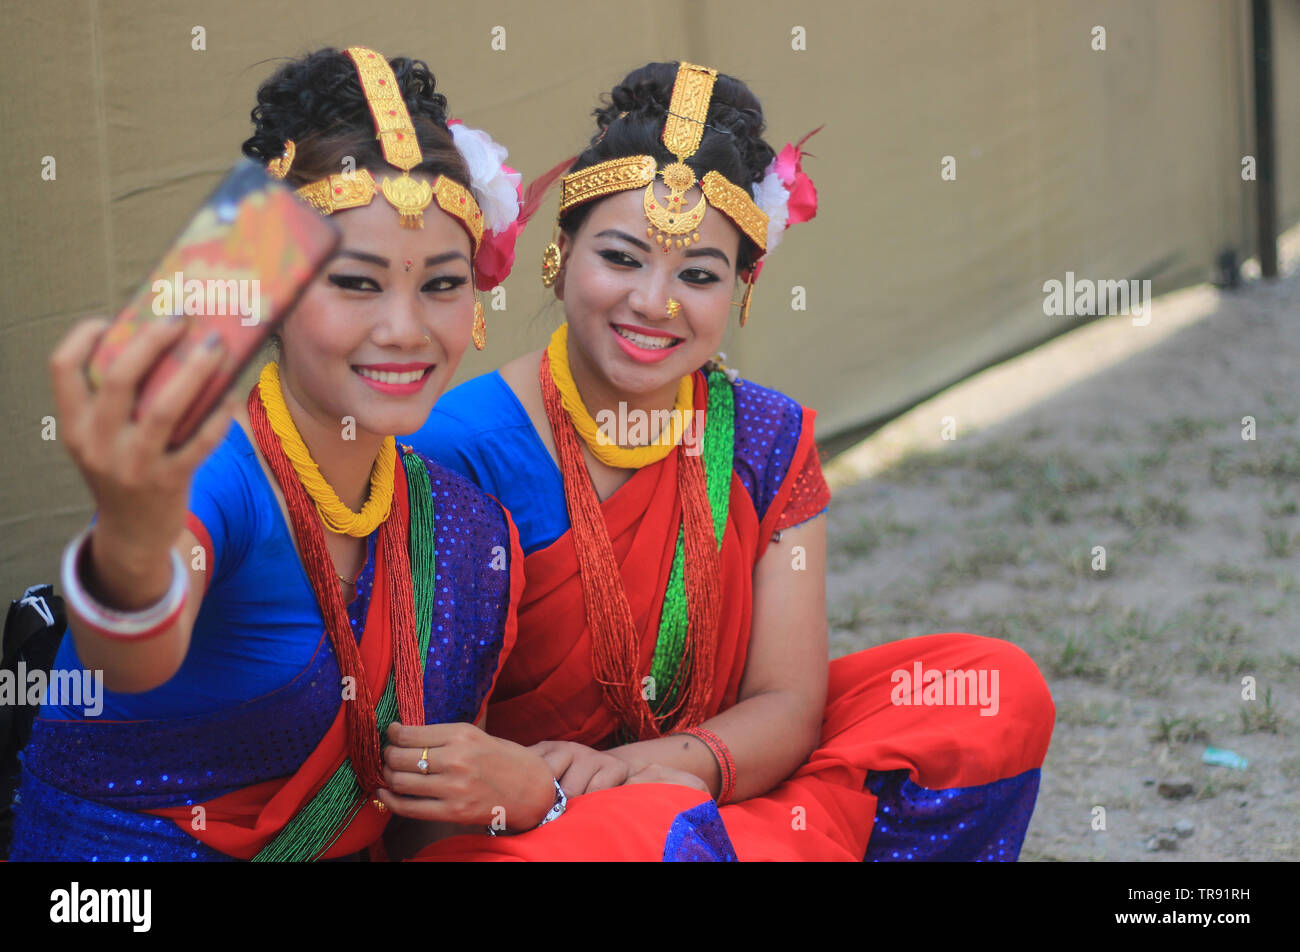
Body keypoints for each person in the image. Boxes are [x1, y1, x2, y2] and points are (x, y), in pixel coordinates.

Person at [403, 61, 1056, 861]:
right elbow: (426, 769)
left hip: (707, 792)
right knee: (653, 836)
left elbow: (786, 704)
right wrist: (571, 803)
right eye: (621, 258)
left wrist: (641, 773)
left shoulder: (763, 439)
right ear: (561, 252)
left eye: (700, 274)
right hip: (529, 834)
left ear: (743, 287)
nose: (654, 301)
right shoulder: (456, 450)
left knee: (987, 690)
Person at [9, 47, 564, 862]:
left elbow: (422, 817)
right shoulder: (212, 473)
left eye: (441, 285)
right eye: (357, 282)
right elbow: (126, 653)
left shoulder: (467, 528)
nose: (406, 329)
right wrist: (129, 534)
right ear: (271, 293)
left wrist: (530, 797)